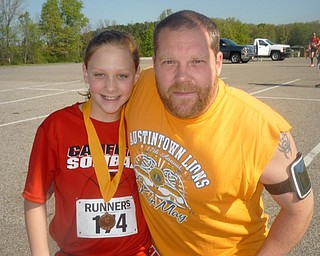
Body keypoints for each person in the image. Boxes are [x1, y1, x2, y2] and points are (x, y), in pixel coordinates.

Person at [125, 10, 314, 255]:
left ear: (218, 63)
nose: (182, 77)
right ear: (155, 62)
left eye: (197, 61)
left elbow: (299, 209)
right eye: (169, 62)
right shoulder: (139, 88)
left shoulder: (261, 130)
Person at [23, 30, 151, 256]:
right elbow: (35, 197)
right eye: (100, 74)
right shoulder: (57, 127)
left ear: (136, 75)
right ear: (85, 72)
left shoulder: (144, 124)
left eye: (122, 76)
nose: (110, 87)